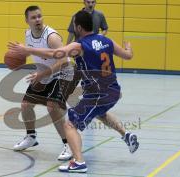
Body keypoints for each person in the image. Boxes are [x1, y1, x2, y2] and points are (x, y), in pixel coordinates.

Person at [8, 10, 139, 173]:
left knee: (70, 124)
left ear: (78, 27)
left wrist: (28, 50)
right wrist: (129, 47)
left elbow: (55, 54)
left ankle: (79, 162)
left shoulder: (80, 46)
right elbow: (127, 56)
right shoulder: (107, 40)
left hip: (98, 94)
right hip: (112, 90)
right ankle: (125, 134)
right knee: (100, 113)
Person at [12, 5, 75, 161]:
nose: (38, 20)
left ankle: (68, 144)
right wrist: (18, 57)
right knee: (26, 105)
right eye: (34, 17)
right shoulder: (28, 35)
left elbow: (64, 62)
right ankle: (31, 136)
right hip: (44, 74)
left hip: (64, 74)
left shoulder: (52, 37)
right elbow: (37, 55)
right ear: (27, 20)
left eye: (39, 16)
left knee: (52, 106)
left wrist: (41, 74)